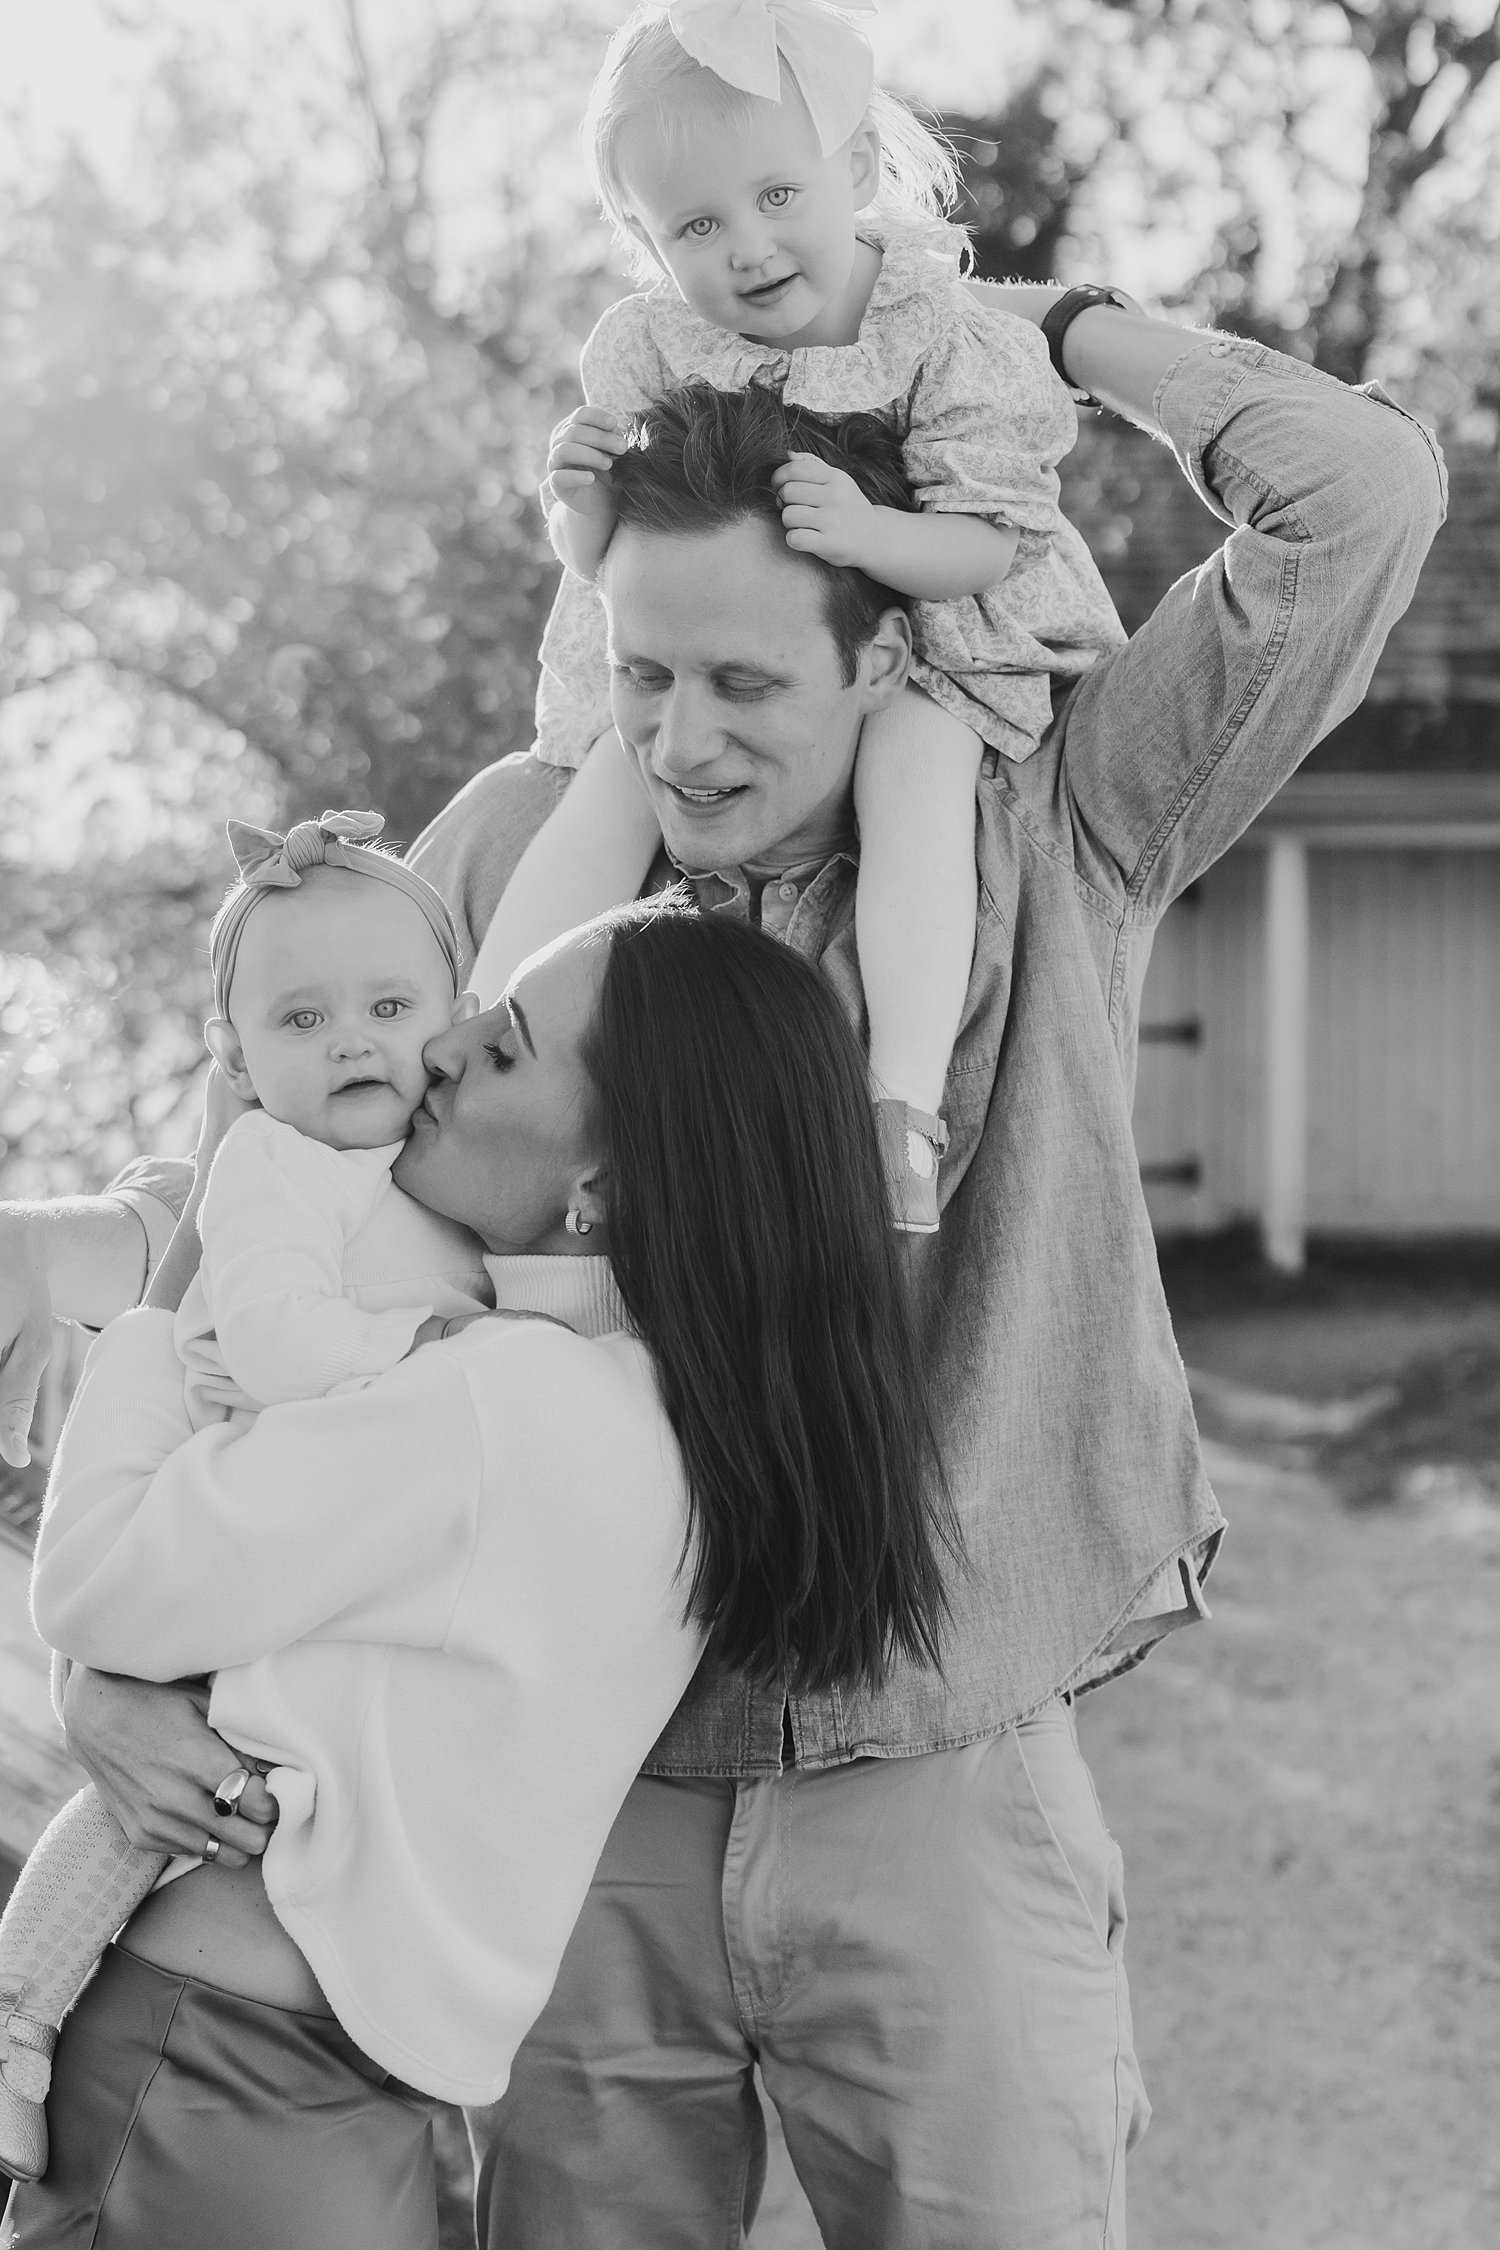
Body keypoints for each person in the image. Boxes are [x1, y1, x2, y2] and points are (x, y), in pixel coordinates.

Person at [0, 290, 1446, 2248]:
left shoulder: (1059, 815)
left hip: (937, 1783)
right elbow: (277, 1195)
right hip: (570, 1834)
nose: (678, 741)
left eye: (744, 685)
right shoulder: (520, 846)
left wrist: (1031, 330)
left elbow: (1358, 498)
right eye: (645, 675)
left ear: (880, 652)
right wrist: (111, 1672)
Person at [4, 898, 948, 2248]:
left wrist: (170, 1294)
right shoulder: (683, 1425)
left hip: (214, 2079)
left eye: (501, 1050)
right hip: (354, 2103)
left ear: (603, 1181)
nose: (438, 1051)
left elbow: (94, 1575)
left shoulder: (503, 1410)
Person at [473, 0, 1126, 1231]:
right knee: (608, 788)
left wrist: (871, 539)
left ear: (859, 171)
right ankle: (478, 1039)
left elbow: (997, 535)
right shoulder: (655, 347)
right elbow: (607, 562)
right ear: (647, 241)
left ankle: (901, 1109)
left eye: (779, 197)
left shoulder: (940, 334)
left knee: (916, 789)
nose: (750, 248)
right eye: (699, 225)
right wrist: (575, 504)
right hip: (725, 658)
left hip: (936, 638)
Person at [0, 810, 492, 2186]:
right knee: (148, 1801)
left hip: (324, 1535)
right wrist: (423, 1359)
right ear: (235, 1058)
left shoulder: (436, 1168)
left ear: (456, 1015)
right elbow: (278, 1343)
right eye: (302, 1017)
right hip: (234, 1511)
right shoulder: (274, 1162)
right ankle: (19, 2011)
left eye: (391, 1006)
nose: (353, 1041)